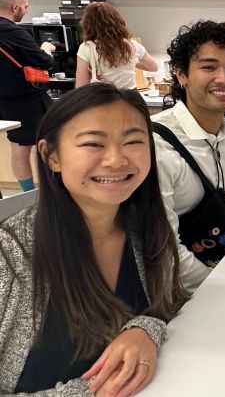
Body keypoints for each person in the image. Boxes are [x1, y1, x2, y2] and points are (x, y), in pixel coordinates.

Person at [0, 83, 188, 395]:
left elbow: (165, 310)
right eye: (93, 144)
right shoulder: (10, 254)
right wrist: (88, 392)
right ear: (51, 156)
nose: (116, 160)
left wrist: (145, 329)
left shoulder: (147, 230)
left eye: (133, 142)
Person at [152, 20, 225, 291]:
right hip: (179, 300)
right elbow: (165, 255)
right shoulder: (156, 147)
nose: (224, 78)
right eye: (209, 67)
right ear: (181, 74)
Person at [0, 0, 56, 193]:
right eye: (25, 6)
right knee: (49, 145)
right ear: (15, 7)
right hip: (27, 98)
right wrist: (46, 49)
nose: (25, 10)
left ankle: (28, 194)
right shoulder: (12, 31)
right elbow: (43, 62)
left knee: (19, 147)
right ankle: (51, 192)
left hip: (4, 100)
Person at [75, 1, 159, 89]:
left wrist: (91, 75)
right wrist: (130, 61)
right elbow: (154, 67)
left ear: (87, 25)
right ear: (117, 21)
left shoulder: (87, 48)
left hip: (106, 99)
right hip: (131, 98)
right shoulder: (132, 45)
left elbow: (81, 86)